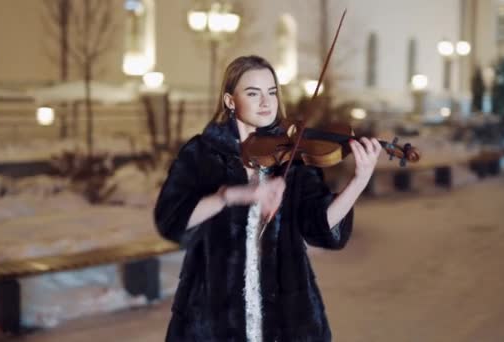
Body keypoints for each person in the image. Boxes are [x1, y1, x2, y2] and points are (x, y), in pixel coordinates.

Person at [154, 55, 381, 341]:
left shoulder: (293, 155)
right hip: (212, 311)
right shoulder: (201, 154)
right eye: (253, 92)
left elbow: (319, 226)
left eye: (272, 92)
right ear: (230, 101)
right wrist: (229, 195)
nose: (266, 102)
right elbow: (172, 219)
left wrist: (359, 181)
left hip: (287, 314)